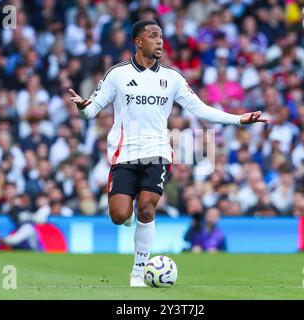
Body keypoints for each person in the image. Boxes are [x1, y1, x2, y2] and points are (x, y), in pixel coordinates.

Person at [68, 19, 268, 287]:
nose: (160, 41)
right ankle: (125, 215)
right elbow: (91, 111)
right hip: (124, 154)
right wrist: (82, 107)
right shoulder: (117, 74)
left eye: (161, 36)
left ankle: (138, 271)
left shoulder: (172, 78)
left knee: (148, 208)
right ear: (138, 41)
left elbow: (200, 109)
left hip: (157, 152)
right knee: (118, 215)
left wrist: (238, 119)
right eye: (153, 36)